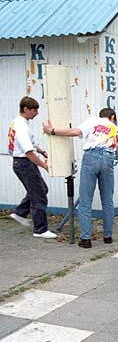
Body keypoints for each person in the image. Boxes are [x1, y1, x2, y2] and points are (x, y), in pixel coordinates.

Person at [43, 108, 118, 248]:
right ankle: (107, 236)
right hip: (108, 159)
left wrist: (52, 131)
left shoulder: (93, 120)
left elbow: (75, 132)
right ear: (113, 117)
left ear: (101, 116)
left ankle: (86, 239)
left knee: (85, 201)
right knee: (108, 201)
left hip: (91, 157)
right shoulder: (117, 130)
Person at [8, 97, 57, 239]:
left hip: (21, 163)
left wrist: (43, 152)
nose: (36, 113)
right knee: (39, 195)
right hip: (24, 163)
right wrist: (45, 166)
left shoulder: (18, 123)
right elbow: (29, 152)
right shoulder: (21, 126)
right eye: (34, 110)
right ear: (25, 109)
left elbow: (32, 144)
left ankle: (20, 212)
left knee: (41, 189)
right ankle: (40, 229)